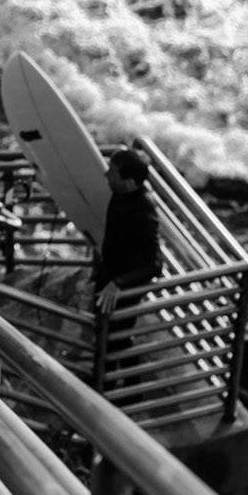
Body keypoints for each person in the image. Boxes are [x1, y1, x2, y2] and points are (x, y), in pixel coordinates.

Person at [92, 146, 162, 346]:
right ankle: (106, 375)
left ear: (129, 182)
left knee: (116, 339)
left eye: (112, 173)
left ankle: (116, 377)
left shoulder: (143, 211)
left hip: (123, 288)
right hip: (109, 278)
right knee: (103, 333)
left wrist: (119, 283)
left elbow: (155, 264)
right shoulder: (119, 193)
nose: (106, 175)